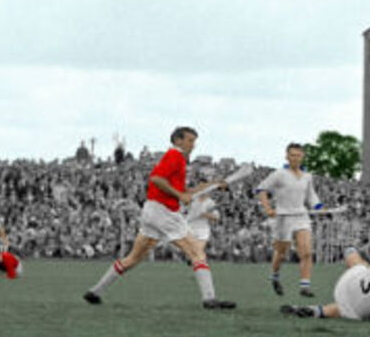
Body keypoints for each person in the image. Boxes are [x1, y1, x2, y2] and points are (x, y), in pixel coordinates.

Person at [83, 126, 235, 309]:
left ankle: (95, 292)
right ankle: (209, 299)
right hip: (164, 212)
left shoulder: (177, 159)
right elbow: (156, 179)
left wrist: (214, 184)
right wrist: (179, 196)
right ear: (178, 140)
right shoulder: (175, 155)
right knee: (197, 252)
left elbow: (186, 191)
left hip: (152, 211)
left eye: (194, 141)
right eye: (190, 141)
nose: (193, 145)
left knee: (133, 258)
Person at [256, 143, 324, 297]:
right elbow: (261, 189)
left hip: (301, 215)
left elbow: (311, 195)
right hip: (283, 217)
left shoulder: (307, 176)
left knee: (307, 252)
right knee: (281, 253)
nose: (295, 158)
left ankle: (305, 286)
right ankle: (275, 276)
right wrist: (268, 208)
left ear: (302, 157)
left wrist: (318, 206)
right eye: (292, 155)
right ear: (287, 156)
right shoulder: (279, 174)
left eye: (298, 155)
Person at [186, 192, 220, 262]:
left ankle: (197, 262)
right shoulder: (192, 200)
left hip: (203, 229)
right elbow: (184, 212)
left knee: (199, 250)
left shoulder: (211, 203)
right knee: (191, 252)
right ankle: (193, 259)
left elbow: (216, 217)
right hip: (190, 228)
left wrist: (206, 214)